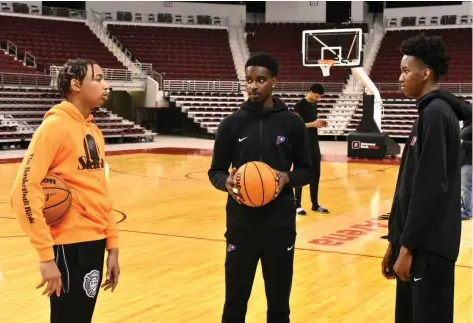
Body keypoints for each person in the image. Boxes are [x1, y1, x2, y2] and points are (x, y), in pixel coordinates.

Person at [9, 59, 120, 323]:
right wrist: (46, 256)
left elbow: (101, 192)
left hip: (94, 242)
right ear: (75, 85)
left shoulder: (94, 131)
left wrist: (112, 245)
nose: (107, 84)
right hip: (68, 246)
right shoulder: (54, 127)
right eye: (98, 78)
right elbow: (23, 190)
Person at [208, 52, 312, 323]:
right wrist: (225, 183)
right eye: (249, 80)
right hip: (241, 226)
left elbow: (307, 171)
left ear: (274, 82)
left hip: (280, 226)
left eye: (261, 80)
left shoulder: (292, 123)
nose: (253, 86)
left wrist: (286, 178)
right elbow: (215, 171)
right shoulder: (231, 124)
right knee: (234, 304)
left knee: (279, 307)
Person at [381, 34, 472, 323]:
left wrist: (406, 248)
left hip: (428, 249)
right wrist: (394, 242)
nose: (400, 78)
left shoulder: (436, 114)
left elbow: (430, 188)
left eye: (406, 71)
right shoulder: (428, 113)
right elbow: (407, 187)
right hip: (415, 245)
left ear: (426, 73)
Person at [293, 83, 329, 215]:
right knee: (300, 173)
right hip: (302, 144)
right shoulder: (299, 105)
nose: (317, 99)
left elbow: (311, 122)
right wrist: (312, 124)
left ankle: (315, 204)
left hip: (314, 143)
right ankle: (297, 205)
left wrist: (319, 123)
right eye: (316, 96)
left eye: (319, 97)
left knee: (316, 175)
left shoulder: (314, 105)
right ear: (311, 91)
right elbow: (297, 125)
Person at [460, 120, 472, 220]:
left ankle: (467, 212)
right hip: (463, 161)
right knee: (465, 188)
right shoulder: (466, 126)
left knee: (466, 188)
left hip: (469, 162)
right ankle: (467, 208)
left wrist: (463, 143)